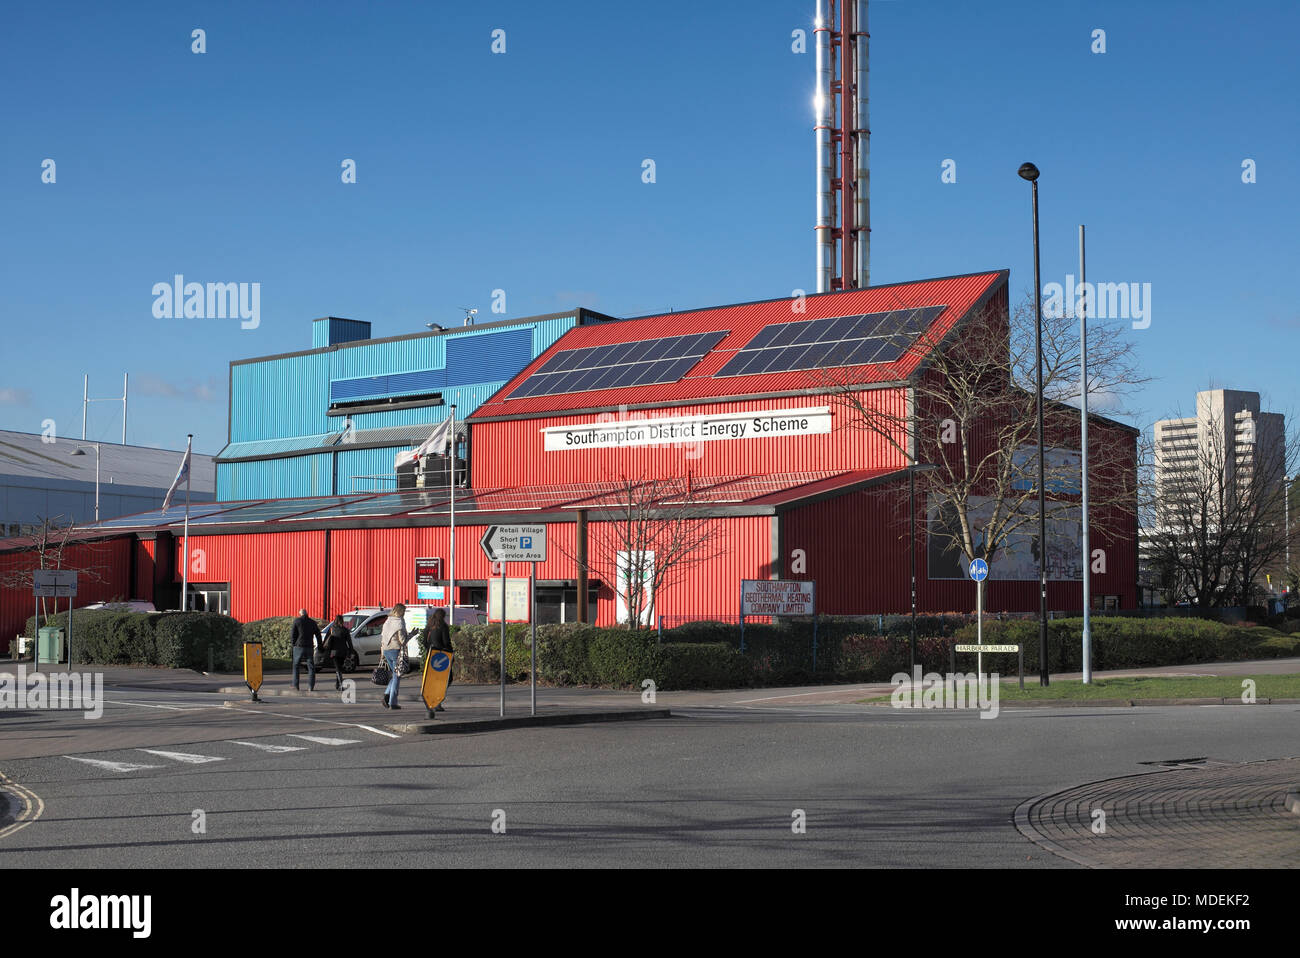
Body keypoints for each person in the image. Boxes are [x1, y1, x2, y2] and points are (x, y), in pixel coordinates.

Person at [421, 607, 454, 712]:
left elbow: (424, 641)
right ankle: (437, 702)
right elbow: (446, 642)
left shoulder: (429, 626)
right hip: (442, 657)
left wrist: (429, 650)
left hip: (431, 656)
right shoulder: (443, 627)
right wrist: (451, 654)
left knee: (433, 680)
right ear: (443, 616)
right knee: (447, 679)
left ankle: (430, 701)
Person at [379, 604, 408, 709]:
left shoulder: (387, 621)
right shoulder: (399, 621)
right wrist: (411, 635)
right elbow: (402, 640)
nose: (404, 613)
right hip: (395, 650)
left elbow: (382, 638)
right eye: (404, 611)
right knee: (397, 676)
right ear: (401, 611)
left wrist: (382, 654)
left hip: (386, 650)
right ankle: (392, 702)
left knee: (395, 675)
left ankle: (386, 696)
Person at [290, 609, 321, 692]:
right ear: (307, 614)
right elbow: (318, 634)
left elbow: (293, 633)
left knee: (296, 665)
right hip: (309, 646)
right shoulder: (312, 622)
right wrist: (320, 645)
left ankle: (296, 686)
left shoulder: (297, 621)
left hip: (299, 646)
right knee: (311, 666)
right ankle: (311, 686)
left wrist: (293, 644)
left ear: (300, 614)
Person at [324, 614, 355, 691]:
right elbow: (349, 643)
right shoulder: (345, 630)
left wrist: (323, 649)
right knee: (339, 668)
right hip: (343, 652)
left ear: (335, 620)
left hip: (334, 652)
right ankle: (338, 685)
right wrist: (351, 652)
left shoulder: (331, 629)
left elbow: (326, 640)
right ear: (342, 621)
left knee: (338, 669)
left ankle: (339, 685)